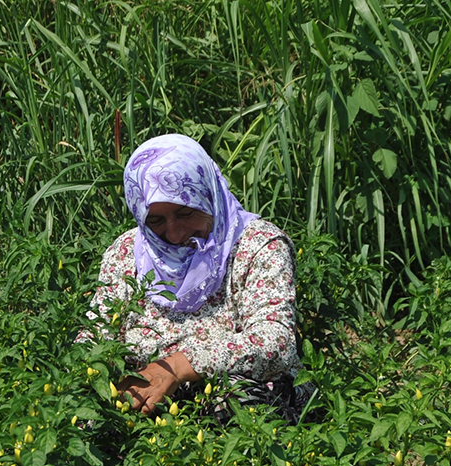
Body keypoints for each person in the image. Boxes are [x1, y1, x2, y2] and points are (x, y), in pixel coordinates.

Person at [81, 133, 310, 423]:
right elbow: (95, 333)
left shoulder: (258, 246)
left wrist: (175, 367)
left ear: (207, 194)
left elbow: (276, 344)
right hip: (149, 398)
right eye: (156, 220)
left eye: (186, 212)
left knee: (243, 406)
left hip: (225, 395)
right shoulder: (127, 252)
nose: (174, 233)